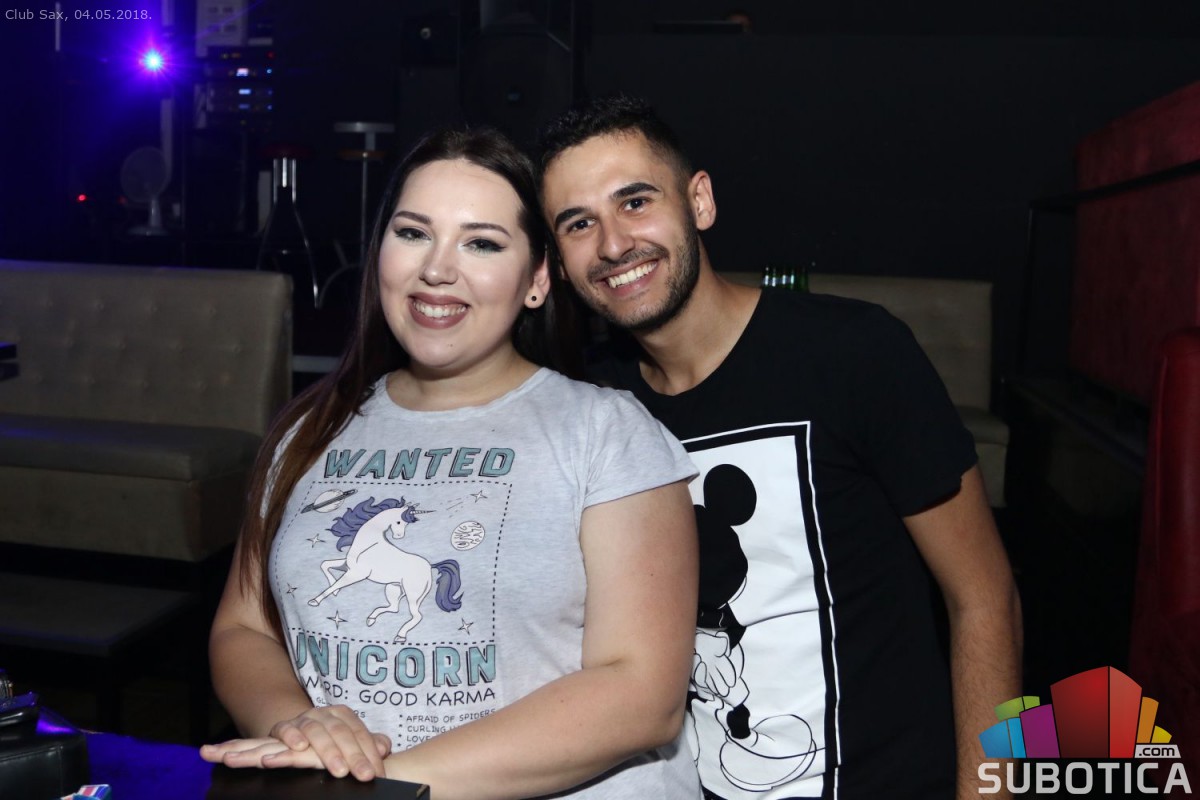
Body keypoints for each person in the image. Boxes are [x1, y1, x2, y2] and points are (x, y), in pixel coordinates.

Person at [536, 95, 1022, 800]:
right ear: (558, 261)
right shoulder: (590, 410)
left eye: (635, 202)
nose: (613, 244)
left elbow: (984, 598)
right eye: (579, 224)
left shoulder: (854, 353)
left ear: (699, 201)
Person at [200, 127, 703, 800]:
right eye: (413, 233)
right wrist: (299, 728)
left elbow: (643, 695)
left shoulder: (605, 431)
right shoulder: (308, 429)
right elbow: (242, 629)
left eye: (481, 243)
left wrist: (386, 781)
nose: (437, 269)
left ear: (537, 280)